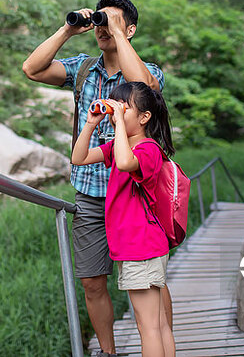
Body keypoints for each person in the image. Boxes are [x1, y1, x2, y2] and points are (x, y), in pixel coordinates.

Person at [22, 0, 172, 356]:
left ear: (130, 29)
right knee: (92, 281)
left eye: (114, 21)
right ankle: (108, 352)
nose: (103, 28)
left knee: (151, 283)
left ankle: (163, 342)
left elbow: (146, 89)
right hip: (91, 192)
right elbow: (32, 69)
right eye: (101, 23)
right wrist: (68, 30)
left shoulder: (147, 69)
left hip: (137, 197)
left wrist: (118, 34)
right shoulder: (83, 68)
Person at [71, 81, 176, 357]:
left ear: (144, 118)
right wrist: (91, 123)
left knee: (149, 327)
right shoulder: (122, 146)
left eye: (125, 109)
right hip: (142, 245)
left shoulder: (147, 150)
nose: (116, 113)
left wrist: (117, 124)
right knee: (159, 324)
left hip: (140, 246)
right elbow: (78, 157)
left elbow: (124, 163)